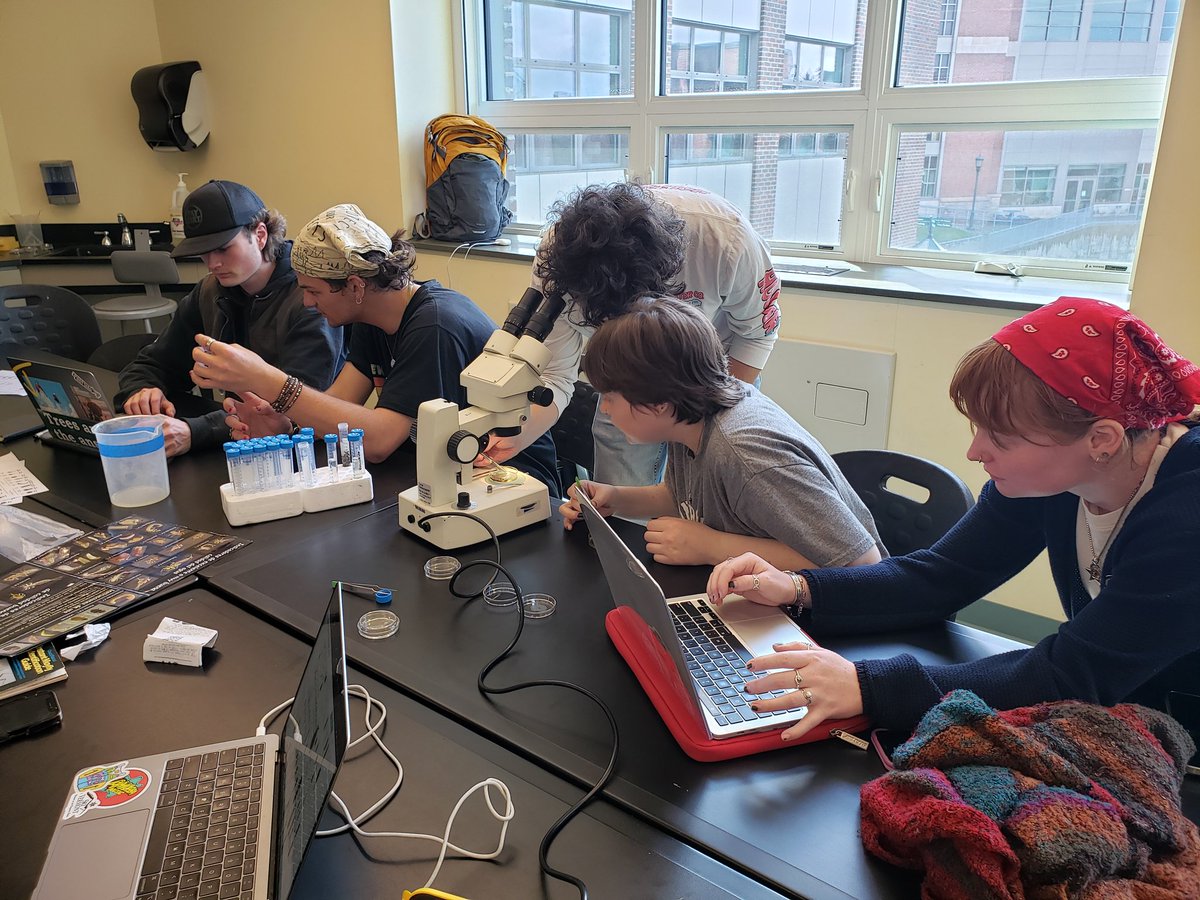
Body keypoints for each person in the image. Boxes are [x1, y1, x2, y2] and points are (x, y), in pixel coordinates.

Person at [706, 297, 1200, 742]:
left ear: (1103, 440)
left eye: (1001, 438)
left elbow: (1070, 676)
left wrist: (865, 685)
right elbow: (943, 575)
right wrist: (800, 587)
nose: (975, 451)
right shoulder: (1061, 474)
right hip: (1128, 715)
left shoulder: (1185, 522)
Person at [191, 204, 559, 491]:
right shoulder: (372, 318)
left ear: (354, 286)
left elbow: (381, 440)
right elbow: (340, 406)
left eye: (313, 291)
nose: (306, 304)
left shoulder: (435, 325)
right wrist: (285, 424)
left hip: (506, 475)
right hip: (435, 470)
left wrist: (269, 380)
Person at [481, 182, 780, 488]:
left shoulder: (727, 242)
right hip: (625, 377)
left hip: (716, 372)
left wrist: (706, 419)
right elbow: (557, 375)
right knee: (620, 499)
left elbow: (755, 336)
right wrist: (515, 436)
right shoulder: (558, 259)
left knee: (714, 492)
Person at [560, 296, 882, 571]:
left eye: (611, 399)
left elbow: (861, 564)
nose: (604, 410)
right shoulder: (692, 414)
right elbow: (687, 496)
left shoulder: (746, 454)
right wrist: (615, 499)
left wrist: (711, 546)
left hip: (839, 625)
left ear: (657, 403)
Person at [116, 180, 345, 457]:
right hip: (236, 446)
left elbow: (295, 406)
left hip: (305, 453)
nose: (212, 263)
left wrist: (195, 431)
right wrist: (143, 391)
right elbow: (153, 363)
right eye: (203, 252)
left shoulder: (309, 298)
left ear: (260, 235)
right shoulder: (209, 291)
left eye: (223, 248)